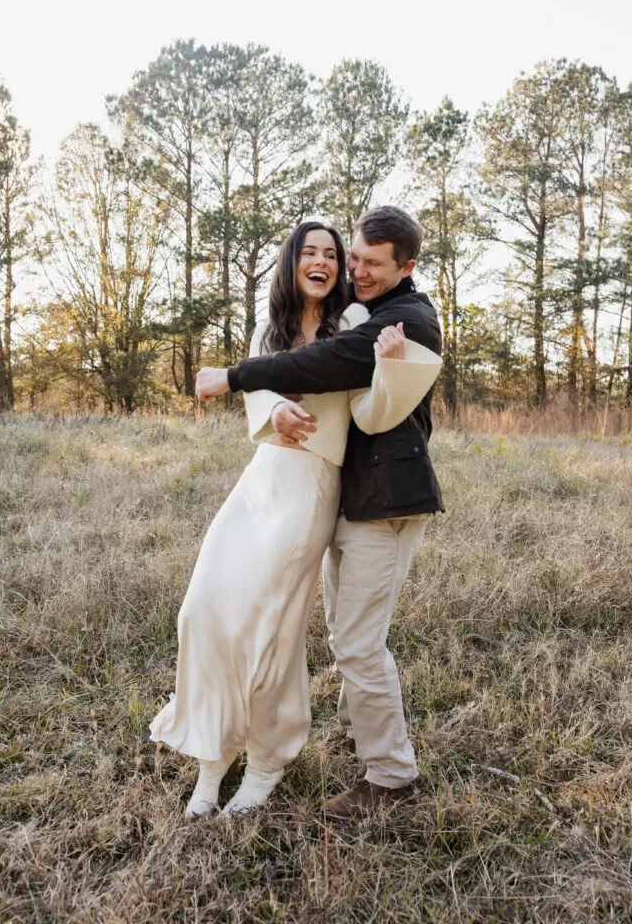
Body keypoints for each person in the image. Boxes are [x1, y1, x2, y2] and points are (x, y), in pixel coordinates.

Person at [150, 220, 441, 818]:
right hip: (261, 479)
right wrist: (271, 406)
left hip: (311, 485)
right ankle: (213, 754)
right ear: (291, 261)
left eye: (337, 256)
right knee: (203, 609)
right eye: (318, 252)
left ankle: (267, 764)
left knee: (272, 628)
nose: (337, 265)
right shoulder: (270, 325)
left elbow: (364, 409)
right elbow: (270, 385)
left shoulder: (359, 324)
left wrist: (389, 370)